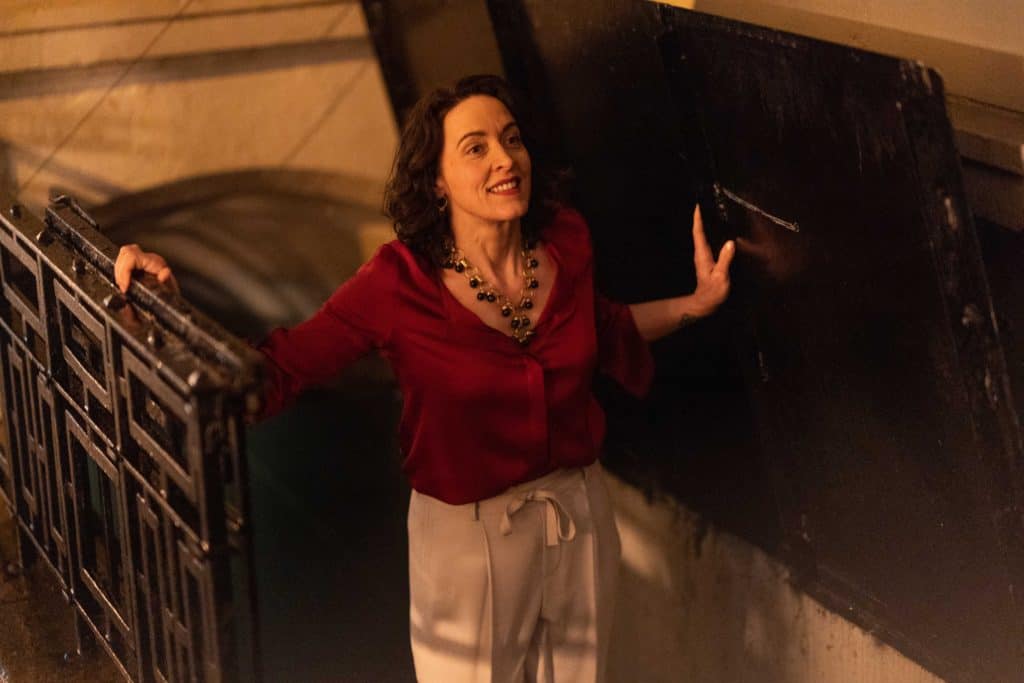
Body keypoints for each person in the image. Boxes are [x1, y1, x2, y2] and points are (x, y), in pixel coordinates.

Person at [114, 74, 734, 683]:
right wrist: (169, 314)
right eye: (476, 148)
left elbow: (603, 328)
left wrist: (694, 304)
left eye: (512, 138)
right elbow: (281, 365)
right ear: (436, 181)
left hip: (577, 514)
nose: (505, 158)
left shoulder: (566, 242)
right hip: (467, 541)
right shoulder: (397, 282)